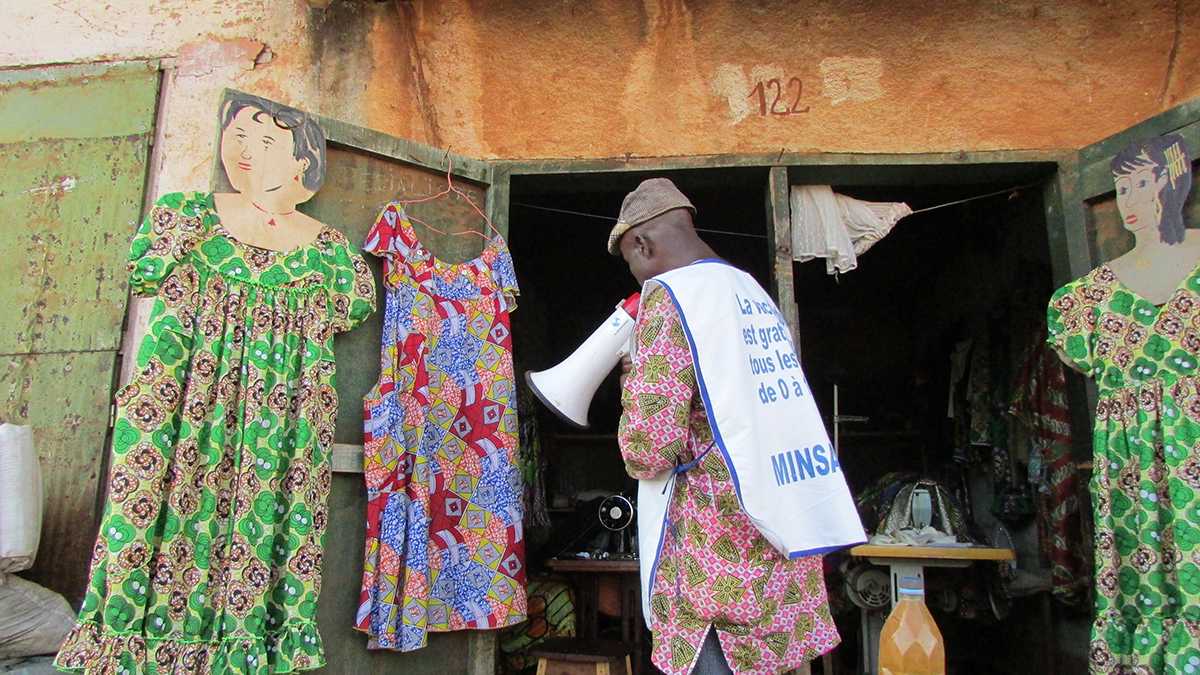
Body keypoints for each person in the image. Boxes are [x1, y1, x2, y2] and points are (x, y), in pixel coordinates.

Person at [54, 93, 375, 673]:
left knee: (266, 532)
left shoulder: (331, 258)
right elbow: (148, 274)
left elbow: (351, 307)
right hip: (179, 418)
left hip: (276, 433)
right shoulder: (185, 220)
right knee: (146, 526)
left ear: (304, 161)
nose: (245, 151)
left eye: (266, 140)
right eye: (238, 135)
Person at [610, 178, 860, 675]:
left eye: (632, 265)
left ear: (643, 244)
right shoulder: (749, 290)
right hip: (780, 560)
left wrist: (630, 374)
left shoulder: (671, 298)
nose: (639, 279)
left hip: (717, 572)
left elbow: (647, 448)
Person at [1047, 134, 1200, 673]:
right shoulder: (1085, 301)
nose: (1129, 199)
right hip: (1133, 465)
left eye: (1141, 182)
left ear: (1173, 179)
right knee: (1144, 582)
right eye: (1120, 188)